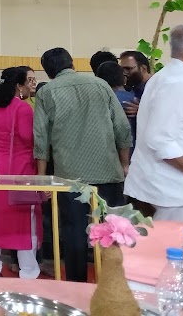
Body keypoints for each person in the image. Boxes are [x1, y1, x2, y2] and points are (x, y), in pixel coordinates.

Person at [34, 47, 131, 282]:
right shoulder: (101, 85)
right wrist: (124, 164)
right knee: (113, 230)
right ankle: (116, 281)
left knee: (74, 232)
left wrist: (42, 179)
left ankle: (76, 284)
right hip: (107, 171)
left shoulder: (46, 93)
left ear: (49, 72)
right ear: (72, 64)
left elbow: (41, 139)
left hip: (70, 176)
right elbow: (122, 127)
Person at [0, 67, 42, 279]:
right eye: (28, 81)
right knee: (24, 219)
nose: (30, 85)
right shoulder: (23, 109)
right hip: (19, 167)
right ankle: (28, 269)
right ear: (19, 86)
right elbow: (28, 139)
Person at [125, 25, 183, 221]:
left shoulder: (164, 77)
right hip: (173, 190)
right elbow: (160, 139)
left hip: (165, 186)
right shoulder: (178, 82)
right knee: (174, 240)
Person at [119, 50, 152, 144]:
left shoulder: (159, 87)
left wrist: (142, 111)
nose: (124, 73)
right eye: (121, 70)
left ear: (143, 68)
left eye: (128, 69)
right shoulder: (132, 89)